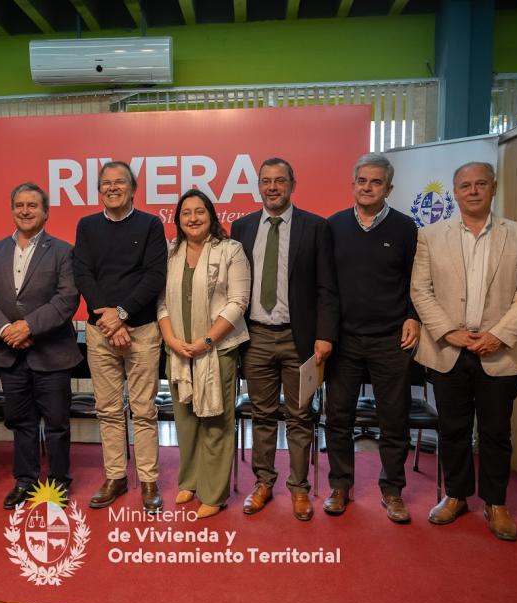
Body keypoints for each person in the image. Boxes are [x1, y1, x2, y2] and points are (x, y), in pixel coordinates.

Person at [411, 162, 517, 541]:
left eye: (480, 184)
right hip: (448, 350)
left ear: (493, 188)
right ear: (454, 192)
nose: (472, 191)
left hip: (499, 353)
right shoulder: (431, 236)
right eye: (465, 185)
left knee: (496, 432)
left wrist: (499, 335)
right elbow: (421, 289)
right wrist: (448, 331)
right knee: (453, 429)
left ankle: (496, 502)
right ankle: (455, 495)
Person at [230, 157, 332, 521]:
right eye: (266, 181)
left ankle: (300, 488)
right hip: (255, 337)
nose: (273, 187)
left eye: (280, 181)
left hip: (300, 340)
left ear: (293, 184)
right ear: (258, 185)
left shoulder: (315, 227)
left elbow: (326, 288)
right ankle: (263, 483)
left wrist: (324, 336)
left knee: (301, 416)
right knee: (262, 415)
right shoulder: (241, 228)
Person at [323, 153, 420, 524]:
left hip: (390, 340)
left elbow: (418, 282)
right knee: (338, 417)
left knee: (394, 419)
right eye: (362, 180)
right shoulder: (333, 227)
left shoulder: (405, 229)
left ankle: (393, 490)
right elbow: (326, 286)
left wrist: (414, 317)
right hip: (344, 340)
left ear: (389, 188)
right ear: (353, 184)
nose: (367, 187)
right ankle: (340, 486)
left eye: (376, 182)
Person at [0, 182, 81, 509]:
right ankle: (25, 481)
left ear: (45, 212)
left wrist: (28, 326)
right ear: (12, 210)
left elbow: (67, 299)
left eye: (32, 206)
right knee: (20, 422)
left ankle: (58, 483)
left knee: (56, 425)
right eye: (19, 205)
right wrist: (8, 330)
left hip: (51, 353)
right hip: (10, 353)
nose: (25, 211)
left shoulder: (63, 251)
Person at [73, 161, 167, 513]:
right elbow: (82, 272)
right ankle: (115, 477)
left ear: (133, 188)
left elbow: (155, 275)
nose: (113, 188)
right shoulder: (87, 226)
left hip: (141, 330)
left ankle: (148, 480)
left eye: (120, 182)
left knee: (143, 410)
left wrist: (122, 314)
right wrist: (108, 318)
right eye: (106, 183)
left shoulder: (150, 225)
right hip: (100, 332)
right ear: (99, 190)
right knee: (108, 410)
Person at [157, 190, 251, 519]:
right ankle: (191, 480)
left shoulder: (230, 250)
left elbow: (238, 302)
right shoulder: (169, 252)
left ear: (212, 216)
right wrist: (171, 339)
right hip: (179, 350)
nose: (193, 218)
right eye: (186, 213)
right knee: (185, 419)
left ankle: (214, 492)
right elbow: (161, 302)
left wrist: (206, 341)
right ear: (178, 219)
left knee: (214, 420)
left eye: (200, 211)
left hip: (217, 350)